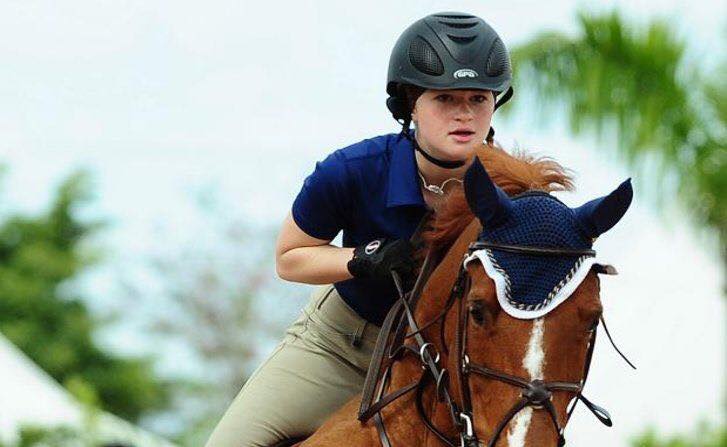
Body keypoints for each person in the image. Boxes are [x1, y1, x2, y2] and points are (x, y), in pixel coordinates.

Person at [205, 11, 514, 447]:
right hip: (338, 350)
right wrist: (360, 259)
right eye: (445, 98)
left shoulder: (513, 191)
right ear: (410, 103)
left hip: (447, 368)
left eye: (478, 99)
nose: (464, 114)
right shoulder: (352, 170)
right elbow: (289, 259)